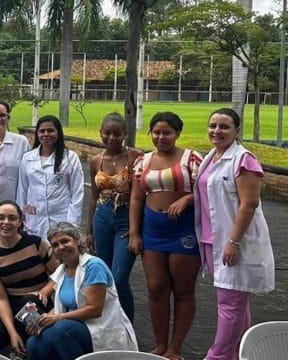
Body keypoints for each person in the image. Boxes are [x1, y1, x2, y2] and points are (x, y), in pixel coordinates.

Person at [195, 108, 275, 360]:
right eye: (213, 126)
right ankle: (240, 353)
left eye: (224, 126)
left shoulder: (243, 160)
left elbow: (248, 204)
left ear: (237, 130)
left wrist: (233, 242)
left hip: (233, 243)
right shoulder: (212, 157)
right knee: (237, 303)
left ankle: (216, 356)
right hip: (211, 241)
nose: (216, 131)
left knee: (230, 305)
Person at [128, 111, 203, 360]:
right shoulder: (143, 160)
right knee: (156, 288)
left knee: (183, 290)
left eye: (167, 132)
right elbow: (136, 199)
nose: (161, 137)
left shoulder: (192, 159)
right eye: (156, 132)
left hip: (183, 231)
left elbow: (207, 191)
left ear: (178, 133)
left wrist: (187, 199)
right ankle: (160, 344)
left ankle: (175, 348)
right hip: (153, 230)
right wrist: (134, 233)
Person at [26, 222, 137, 360]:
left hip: (99, 328)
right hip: (75, 325)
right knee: (34, 344)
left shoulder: (94, 266)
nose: (61, 247)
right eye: (55, 245)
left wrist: (58, 318)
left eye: (65, 241)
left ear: (77, 240)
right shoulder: (63, 269)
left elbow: (95, 309)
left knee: (62, 329)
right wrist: (42, 321)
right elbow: (60, 306)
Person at [0, 201, 57, 356]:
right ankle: (17, 335)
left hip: (38, 300)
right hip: (12, 303)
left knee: (29, 303)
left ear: (20, 221)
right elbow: (0, 298)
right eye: (1, 217)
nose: (6, 222)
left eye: (12, 218)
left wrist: (44, 292)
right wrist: (11, 331)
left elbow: (59, 274)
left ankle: (32, 345)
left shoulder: (36, 243)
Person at [86, 113, 141, 321]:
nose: (112, 138)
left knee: (119, 277)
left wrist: (136, 229)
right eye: (107, 133)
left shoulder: (136, 157)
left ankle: (127, 324)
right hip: (102, 217)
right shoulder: (95, 161)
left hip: (126, 218)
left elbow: (141, 196)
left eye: (117, 134)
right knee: (104, 276)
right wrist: (89, 231)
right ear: (100, 133)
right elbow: (93, 197)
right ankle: (110, 322)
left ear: (125, 134)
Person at [17, 115, 84, 238]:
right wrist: (21, 217)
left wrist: (72, 223)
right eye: (42, 131)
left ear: (58, 132)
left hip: (61, 220)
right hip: (34, 220)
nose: (46, 134)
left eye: (50, 130)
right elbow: (22, 190)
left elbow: (77, 193)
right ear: (37, 133)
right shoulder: (27, 158)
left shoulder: (70, 158)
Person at [0, 101, 30, 239]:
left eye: (3, 115)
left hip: (13, 204)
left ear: (8, 118)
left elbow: (28, 175)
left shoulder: (21, 142)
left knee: (12, 242)